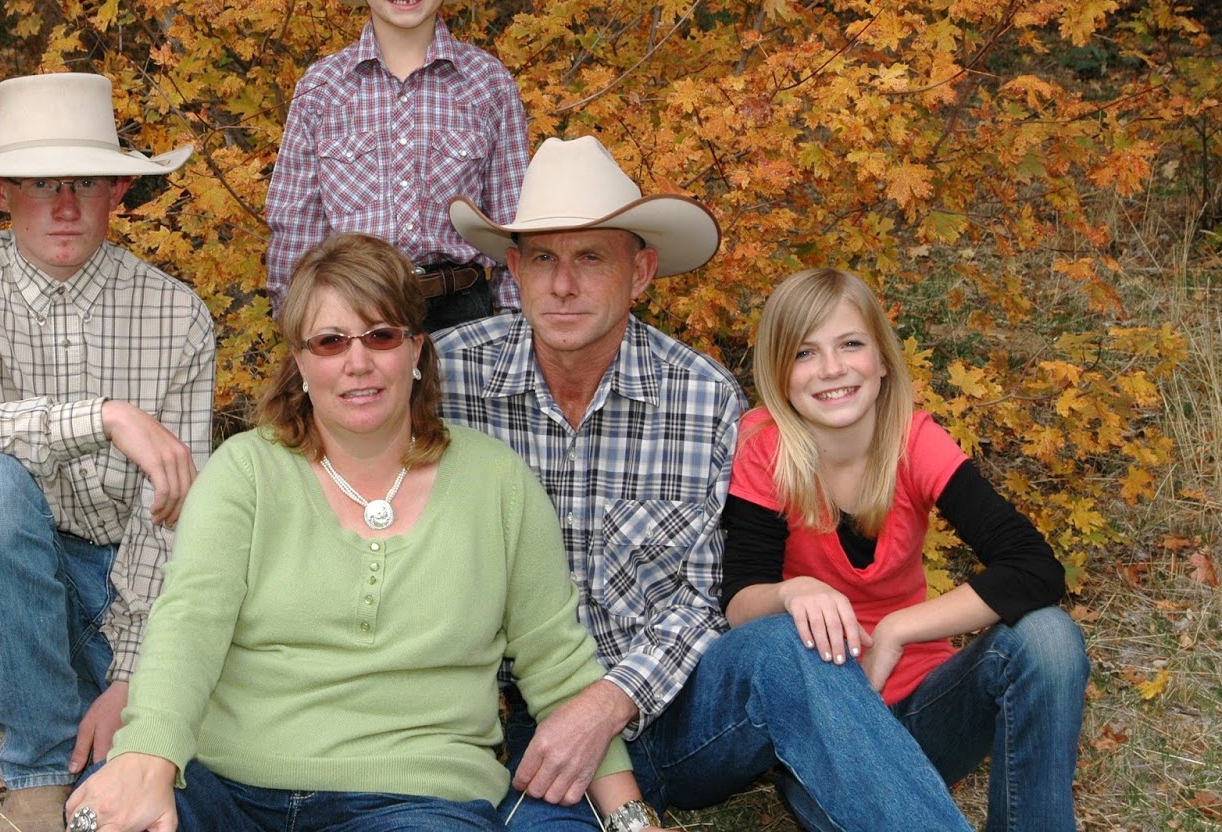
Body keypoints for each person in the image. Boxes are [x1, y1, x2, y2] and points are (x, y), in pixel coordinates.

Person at [434, 134, 979, 830]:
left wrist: (608, 703)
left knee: (786, 644)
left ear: (640, 272)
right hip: (534, 728)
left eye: (591, 257)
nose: (563, 284)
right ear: (512, 270)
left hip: (681, 714)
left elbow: (703, 599)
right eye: (543, 258)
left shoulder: (699, 396)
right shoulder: (448, 377)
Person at [63, 233, 662, 832]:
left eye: (380, 336)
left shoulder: (497, 483)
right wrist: (148, 755)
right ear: (299, 363)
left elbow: (558, 662)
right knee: (104, 813)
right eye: (329, 342)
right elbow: (189, 623)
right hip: (229, 786)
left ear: (416, 351)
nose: (358, 362)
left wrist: (630, 816)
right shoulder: (246, 472)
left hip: (413, 801)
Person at [0, 72, 216, 832]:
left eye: (85, 182)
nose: (66, 205)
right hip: (19, 570)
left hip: (132, 582)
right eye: (41, 183)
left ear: (119, 190)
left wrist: (134, 675)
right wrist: (103, 416)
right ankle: (39, 768)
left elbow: (174, 517)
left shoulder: (176, 315)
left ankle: (111, 721)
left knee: (155, 787)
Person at [722, 267, 1089, 831]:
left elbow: (1035, 567)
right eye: (804, 352)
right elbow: (740, 604)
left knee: (1049, 636)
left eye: (850, 344)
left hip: (925, 708)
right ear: (779, 372)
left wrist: (896, 629)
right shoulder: (764, 448)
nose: (832, 369)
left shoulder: (915, 441)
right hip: (827, 731)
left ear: (883, 358)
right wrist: (793, 591)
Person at [266, 0, 529, 332]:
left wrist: (513, 327)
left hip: (462, 313)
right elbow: (295, 225)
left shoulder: (489, 84)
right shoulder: (321, 90)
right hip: (351, 310)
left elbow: (513, 219)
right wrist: (300, 329)